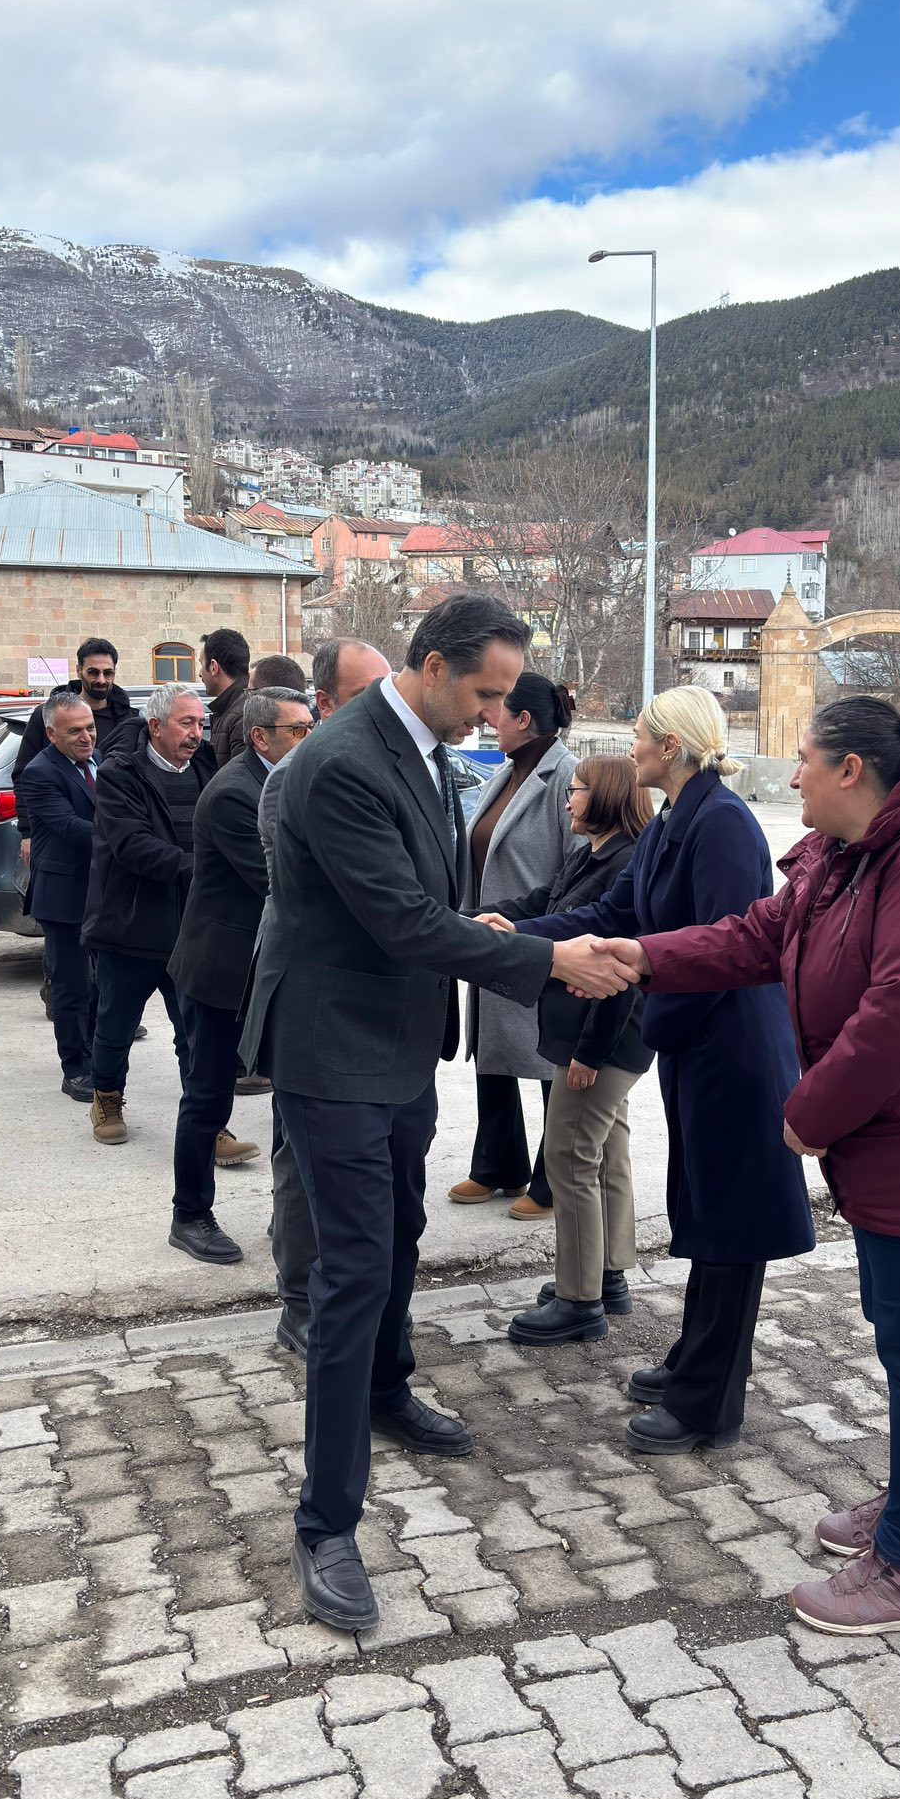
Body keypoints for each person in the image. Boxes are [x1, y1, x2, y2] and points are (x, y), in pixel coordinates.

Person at [599, 697, 900, 1636]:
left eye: (806, 759)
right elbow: (757, 937)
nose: (793, 773)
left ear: (852, 771)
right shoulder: (849, 858)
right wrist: (641, 956)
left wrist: (808, 1115)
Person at [248, 593, 628, 1632]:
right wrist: (546, 955)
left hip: (398, 1043)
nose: (495, 711)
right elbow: (401, 919)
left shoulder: (412, 744)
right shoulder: (343, 757)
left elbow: (426, 901)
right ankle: (325, 1521)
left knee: (401, 1235)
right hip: (334, 1048)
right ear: (429, 664)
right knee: (353, 1267)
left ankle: (386, 1387)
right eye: (485, 690)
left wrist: (482, 923)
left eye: (506, 693)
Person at [512, 685, 814, 1454]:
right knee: (706, 1215)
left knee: (731, 1226)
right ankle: (693, 1360)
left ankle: (708, 1402)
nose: (632, 746)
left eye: (641, 735)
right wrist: (517, 935)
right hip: (698, 1044)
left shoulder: (723, 825)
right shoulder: (678, 817)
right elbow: (615, 918)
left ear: (671, 747)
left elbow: (723, 948)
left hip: (734, 1049)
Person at [248, 638, 392, 1355]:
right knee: (300, 1167)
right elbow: (314, 903)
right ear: (326, 704)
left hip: (374, 1006)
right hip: (317, 999)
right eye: (368, 693)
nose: (385, 706)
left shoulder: (391, 763)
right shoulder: (296, 777)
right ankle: (299, 1304)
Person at [484, 756, 656, 1343]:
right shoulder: (595, 854)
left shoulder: (626, 862)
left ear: (605, 797)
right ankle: (608, 1275)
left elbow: (616, 964)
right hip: (588, 1034)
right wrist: (491, 922)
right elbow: (544, 904)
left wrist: (589, 1053)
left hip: (599, 1038)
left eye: (577, 791)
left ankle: (579, 1299)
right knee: (607, 1151)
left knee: (568, 1159)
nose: (567, 801)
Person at [167, 687, 313, 1264]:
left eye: (312, 726)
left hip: (270, 967)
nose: (310, 738)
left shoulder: (288, 782)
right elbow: (280, 879)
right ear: (261, 736)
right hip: (222, 970)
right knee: (208, 1098)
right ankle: (190, 1214)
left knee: (287, 1096)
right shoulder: (234, 793)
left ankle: (290, 1215)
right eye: (298, 730)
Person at [81, 681, 252, 1154]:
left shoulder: (207, 770)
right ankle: (107, 1099)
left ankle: (209, 1123)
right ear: (155, 725)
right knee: (116, 1026)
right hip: (130, 927)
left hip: (191, 929)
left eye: (201, 723)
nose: (197, 733)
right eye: (186, 723)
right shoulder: (120, 775)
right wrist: (205, 869)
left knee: (196, 1035)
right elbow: (132, 846)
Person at [450, 675, 579, 1222]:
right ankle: (497, 1163)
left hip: (538, 934)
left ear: (523, 719)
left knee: (548, 1058)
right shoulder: (507, 769)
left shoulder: (564, 774)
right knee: (494, 1053)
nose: (485, 718)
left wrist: (549, 928)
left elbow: (579, 865)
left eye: (494, 710)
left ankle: (551, 1181)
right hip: (493, 931)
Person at [17, 693, 102, 1101]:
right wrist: (130, 837)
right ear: (51, 734)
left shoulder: (97, 760)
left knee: (101, 983)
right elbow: (71, 827)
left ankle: (98, 1053)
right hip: (65, 894)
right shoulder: (39, 772)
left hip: (103, 892)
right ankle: (76, 1068)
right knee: (71, 986)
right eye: (75, 731)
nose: (87, 737)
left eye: (89, 727)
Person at [14, 638, 138, 861]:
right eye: (93, 672)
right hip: (63, 847)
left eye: (107, 673)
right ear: (79, 670)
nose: (101, 680)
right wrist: (27, 832)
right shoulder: (46, 716)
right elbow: (23, 774)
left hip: (112, 855)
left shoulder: (130, 720)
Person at [200, 628, 253, 765]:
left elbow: (242, 781)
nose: (200, 673)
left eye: (201, 664)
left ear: (213, 667)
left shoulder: (242, 715)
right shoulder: (231, 708)